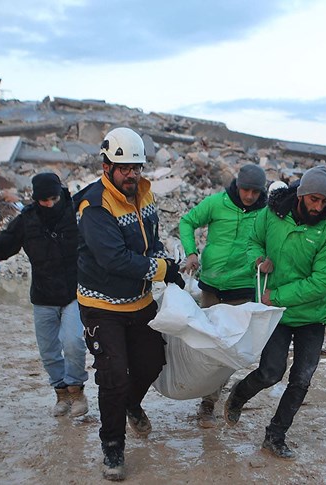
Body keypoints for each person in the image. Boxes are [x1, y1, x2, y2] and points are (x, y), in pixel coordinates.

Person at [75, 126, 185, 481]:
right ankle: (113, 448)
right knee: (113, 378)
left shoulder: (146, 196)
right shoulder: (94, 206)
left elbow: (150, 243)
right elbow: (116, 260)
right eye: (124, 169)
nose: (132, 175)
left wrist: (165, 262)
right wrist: (163, 269)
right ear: (106, 167)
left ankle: (131, 405)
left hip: (138, 302)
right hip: (101, 305)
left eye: (136, 167)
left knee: (153, 360)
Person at [223, 165, 326, 460]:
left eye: (323, 201)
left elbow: (322, 283)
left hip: (311, 315)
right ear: (301, 194)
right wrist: (258, 260)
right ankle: (238, 395)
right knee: (270, 373)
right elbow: (254, 241)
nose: (318, 206)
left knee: (302, 378)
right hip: (275, 313)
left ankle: (275, 435)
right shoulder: (273, 214)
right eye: (313, 199)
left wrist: (275, 295)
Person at [0, 173, 89, 418]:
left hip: (74, 292)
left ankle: (76, 391)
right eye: (45, 201)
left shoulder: (75, 212)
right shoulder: (26, 221)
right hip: (43, 296)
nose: (51, 204)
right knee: (49, 351)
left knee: (74, 342)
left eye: (54, 198)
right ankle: (61, 394)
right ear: (36, 199)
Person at [179, 163, 267, 428]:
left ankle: (209, 402)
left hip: (242, 288)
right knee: (204, 342)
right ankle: (193, 385)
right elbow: (187, 221)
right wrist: (191, 252)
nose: (249, 196)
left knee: (227, 349)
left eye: (254, 191)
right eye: (245, 190)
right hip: (211, 285)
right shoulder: (217, 203)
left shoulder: (265, 214)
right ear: (237, 186)